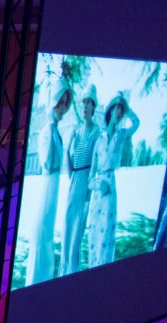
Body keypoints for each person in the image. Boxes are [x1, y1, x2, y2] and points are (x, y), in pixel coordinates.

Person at [25, 79, 72, 286]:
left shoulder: (56, 132)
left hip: (54, 186)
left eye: (65, 103)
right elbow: (48, 161)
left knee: (47, 235)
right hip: (47, 185)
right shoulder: (47, 131)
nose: (62, 108)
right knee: (42, 234)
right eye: (59, 102)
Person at [88, 94, 139, 268]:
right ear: (110, 110)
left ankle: (104, 269)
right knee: (95, 231)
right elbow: (90, 177)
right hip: (98, 192)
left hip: (111, 187)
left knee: (107, 232)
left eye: (121, 109)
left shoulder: (122, 135)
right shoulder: (99, 140)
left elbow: (137, 123)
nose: (119, 112)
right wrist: (97, 186)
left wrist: (126, 106)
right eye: (116, 108)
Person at [61, 85, 101, 276]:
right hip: (74, 182)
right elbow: (70, 170)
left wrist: (89, 193)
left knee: (78, 232)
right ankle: (64, 271)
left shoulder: (96, 133)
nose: (85, 106)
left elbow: (95, 164)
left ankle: (72, 273)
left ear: (93, 107)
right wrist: (69, 145)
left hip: (86, 183)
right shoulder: (76, 132)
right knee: (68, 227)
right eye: (84, 102)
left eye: (89, 103)